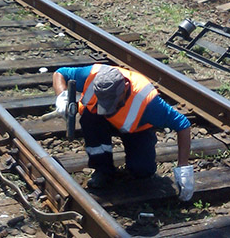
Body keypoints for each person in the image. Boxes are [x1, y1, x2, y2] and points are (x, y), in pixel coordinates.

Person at [52, 64, 194, 201]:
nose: (108, 110)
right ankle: (103, 169)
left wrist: (183, 168)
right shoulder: (90, 75)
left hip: (135, 128)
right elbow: (60, 73)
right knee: (90, 118)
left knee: (142, 171)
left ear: (125, 88)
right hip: (99, 122)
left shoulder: (149, 102)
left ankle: (137, 167)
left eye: (113, 104)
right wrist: (62, 97)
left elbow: (182, 124)